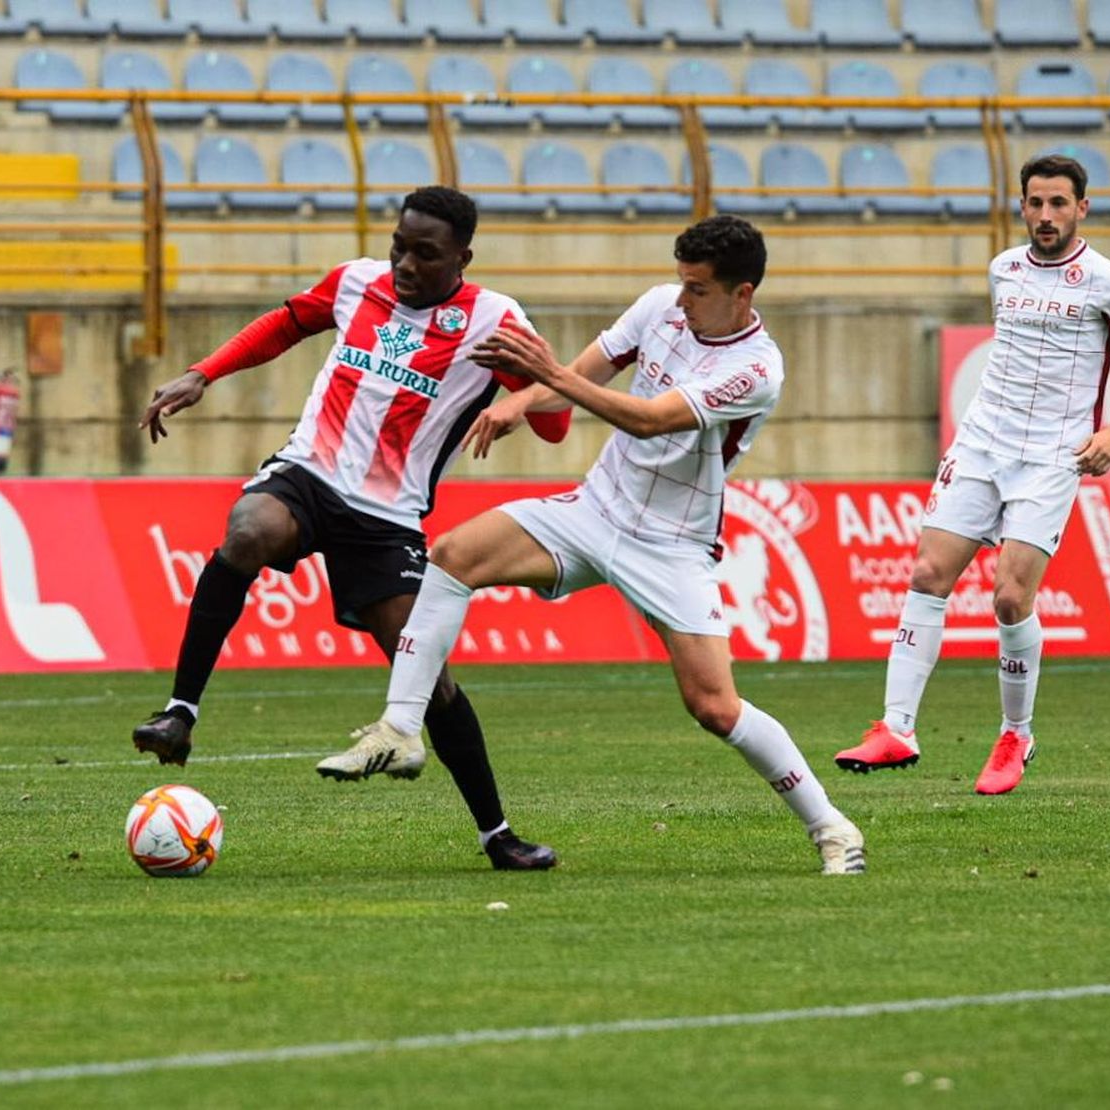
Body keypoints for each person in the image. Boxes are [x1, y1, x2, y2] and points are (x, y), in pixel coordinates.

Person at [322, 215, 867, 876]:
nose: (681, 299)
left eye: (697, 289)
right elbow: (591, 368)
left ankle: (832, 828)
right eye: (681, 282)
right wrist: (519, 403)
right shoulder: (659, 306)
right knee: (454, 555)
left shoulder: (756, 370)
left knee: (715, 707)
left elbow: (648, 418)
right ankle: (401, 730)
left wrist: (543, 372)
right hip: (594, 508)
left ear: (741, 295)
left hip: (671, 545)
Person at [132, 186, 569, 871]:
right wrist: (202, 373)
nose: (404, 263)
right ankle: (178, 714)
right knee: (248, 530)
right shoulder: (356, 281)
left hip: (387, 515)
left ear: (462, 257)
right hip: (309, 474)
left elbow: (557, 423)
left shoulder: (495, 318)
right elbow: (283, 324)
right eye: (400, 245)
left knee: (429, 676)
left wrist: (529, 391)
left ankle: (498, 835)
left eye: (425, 254)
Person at [833, 153, 1110, 796]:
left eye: (1058, 204)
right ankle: (896, 728)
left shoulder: (1108, 280)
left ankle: (1016, 734)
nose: (1045, 216)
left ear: (1082, 208)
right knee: (928, 574)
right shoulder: (1003, 269)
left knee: (1010, 597)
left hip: (1052, 455)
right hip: (982, 442)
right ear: (1021, 206)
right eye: (1035, 203)